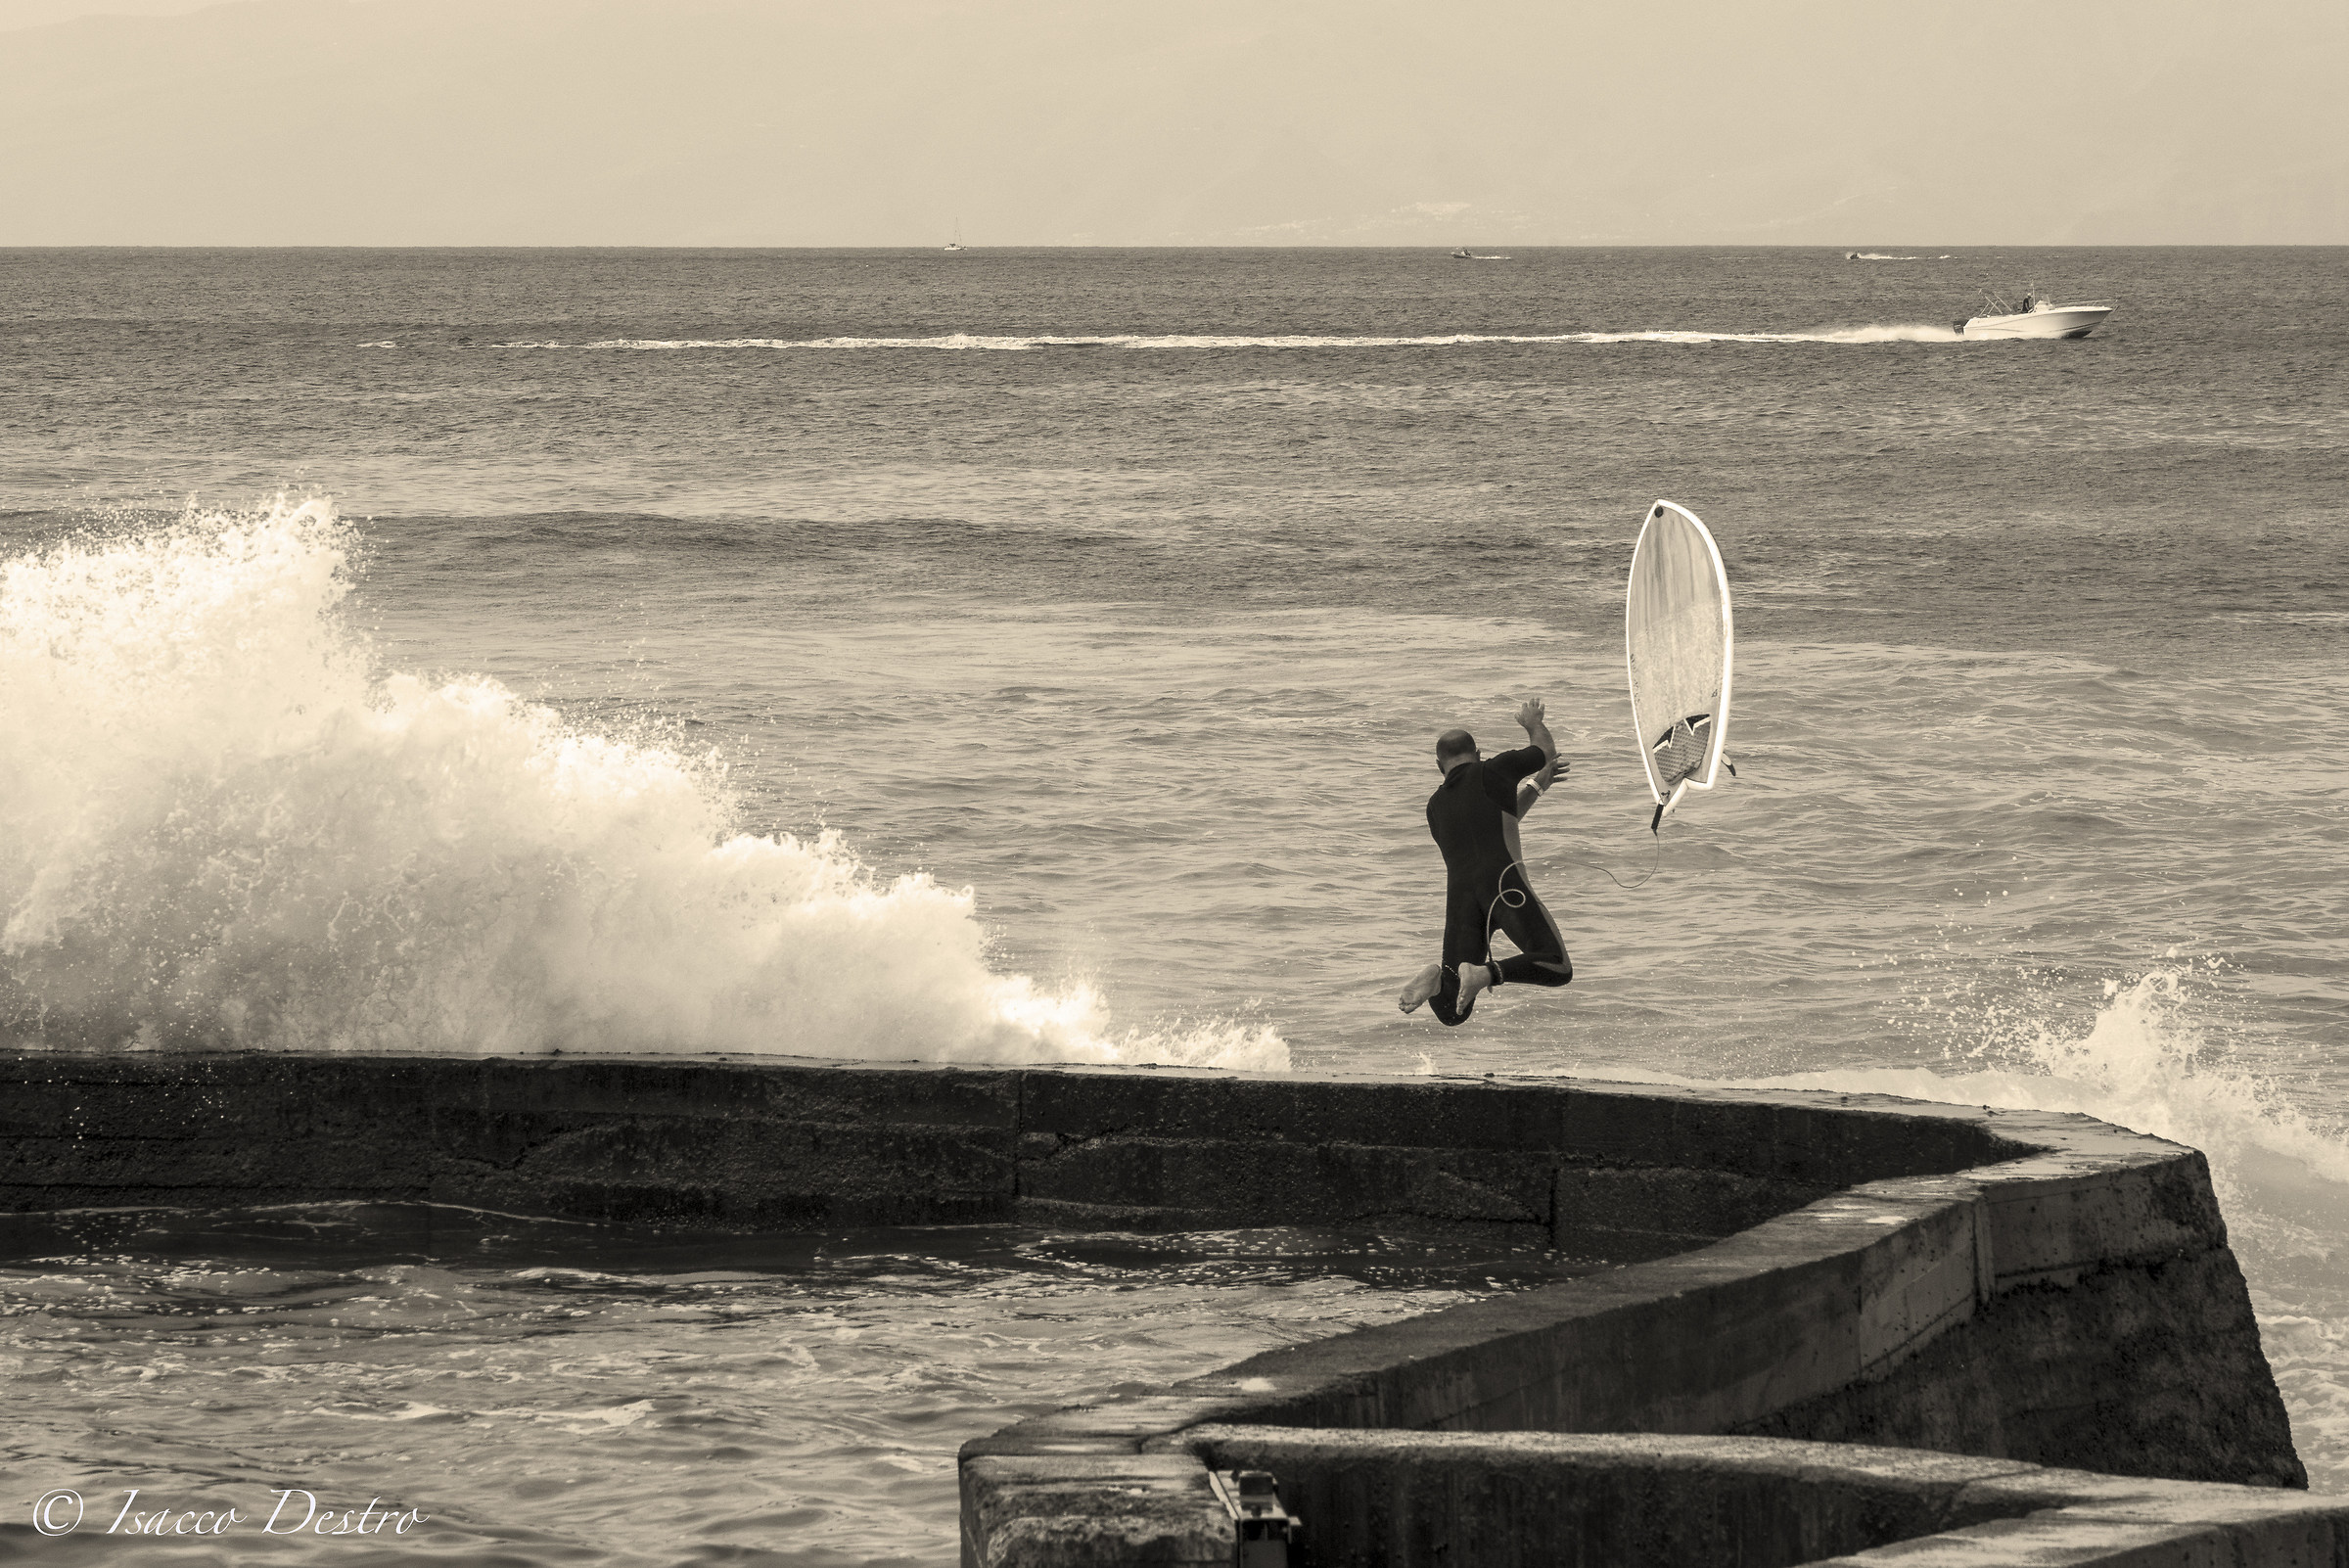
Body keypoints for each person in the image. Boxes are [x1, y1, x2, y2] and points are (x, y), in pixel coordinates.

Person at [1398, 697, 1574, 1025]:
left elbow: (1497, 821)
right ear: (1477, 755)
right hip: (1505, 888)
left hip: (1463, 901)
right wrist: (1533, 723)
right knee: (1557, 965)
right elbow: (1545, 753)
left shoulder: (1434, 807)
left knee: (1452, 1011)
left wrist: (1538, 786)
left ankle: (1437, 984)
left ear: (1439, 767)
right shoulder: (1494, 769)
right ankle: (1487, 974)